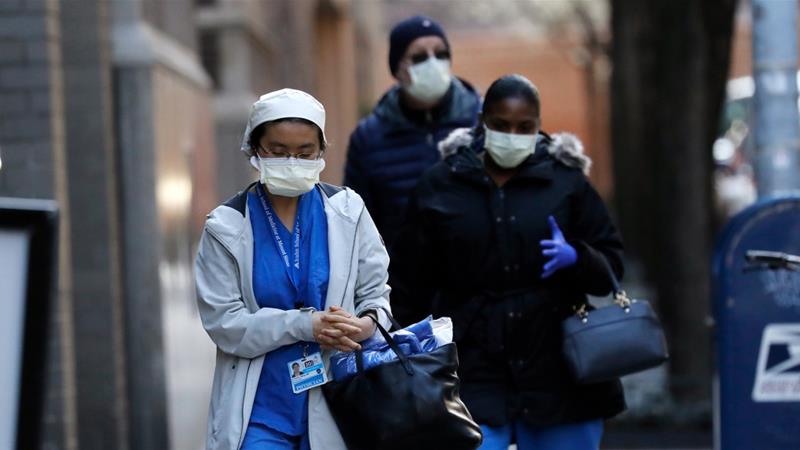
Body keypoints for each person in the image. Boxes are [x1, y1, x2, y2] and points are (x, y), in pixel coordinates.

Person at [389, 74, 626, 450]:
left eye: (524, 127)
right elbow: (407, 282)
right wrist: (406, 362)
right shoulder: (440, 186)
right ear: (483, 122)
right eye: (501, 125)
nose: (512, 134)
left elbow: (611, 269)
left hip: (558, 372)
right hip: (471, 370)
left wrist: (578, 257)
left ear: (539, 126)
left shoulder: (567, 184)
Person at [195, 88, 392, 450]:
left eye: (304, 153)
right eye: (278, 151)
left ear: (321, 152)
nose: (292, 161)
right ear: (254, 150)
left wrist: (365, 325)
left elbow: (376, 295)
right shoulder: (226, 226)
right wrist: (307, 325)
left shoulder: (348, 211)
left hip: (339, 399)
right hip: (259, 409)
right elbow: (225, 324)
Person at [344, 15, 481, 250]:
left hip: (474, 275)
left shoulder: (482, 120)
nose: (433, 63)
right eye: (418, 57)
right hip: (401, 279)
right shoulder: (368, 138)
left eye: (441, 54)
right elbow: (356, 224)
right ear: (397, 69)